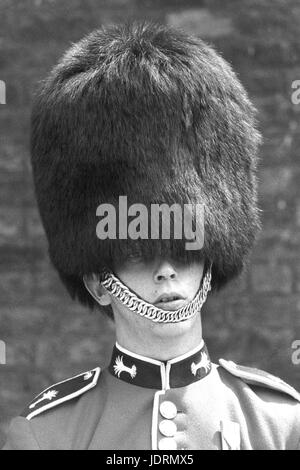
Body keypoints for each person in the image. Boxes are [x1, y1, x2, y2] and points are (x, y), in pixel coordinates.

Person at [3, 21, 300, 450]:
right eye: (138, 253)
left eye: (184, 248)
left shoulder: (282, 425)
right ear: (98, 284)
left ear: (210, 263)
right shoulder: (47, 436)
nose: (166, 270)